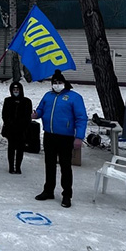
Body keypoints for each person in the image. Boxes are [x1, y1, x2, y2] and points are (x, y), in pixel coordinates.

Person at [33, 69, 87, 208]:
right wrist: (35, 114)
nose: (57, 84)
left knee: (65, 166)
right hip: (49, 135)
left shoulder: (74, 97)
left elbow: (81, 118)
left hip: (65, 137)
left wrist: (79, 137)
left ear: (64, 83)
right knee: (49, 165)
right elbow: (41, 110)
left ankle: (67, 195)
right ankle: (48, 190)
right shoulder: (48, 96)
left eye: (59, 82)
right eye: (54, 82)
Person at [2, 81, 32, 174]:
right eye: (14, 90)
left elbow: (28, 116)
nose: (16, 91)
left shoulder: (27, 101)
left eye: (17, 89)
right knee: (11, 148)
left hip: (22, 129)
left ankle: (18, 167)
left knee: (20, 149)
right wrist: (9, 124)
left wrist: (23, 125)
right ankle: (11, 166)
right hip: (10, 129)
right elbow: (4, 114)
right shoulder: (7, 100)